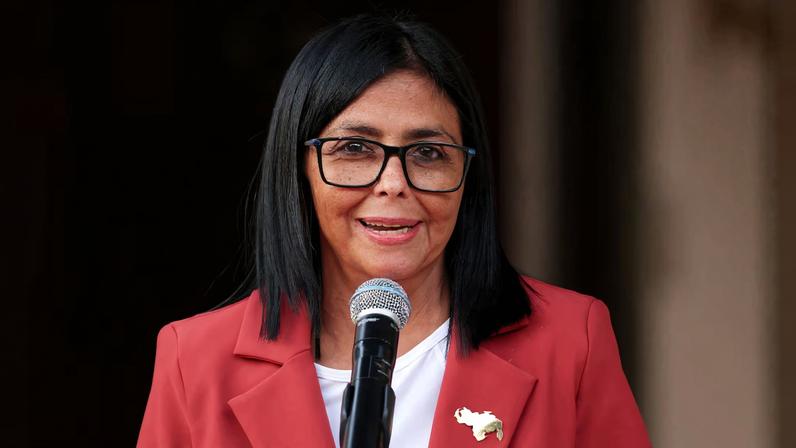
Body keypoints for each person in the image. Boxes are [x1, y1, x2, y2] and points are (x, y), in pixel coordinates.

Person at [137, 13, 651, 448]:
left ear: (467, 174)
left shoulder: (569, 341)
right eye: (355, 149)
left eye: (428, 154)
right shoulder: (195, 361)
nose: (393, 184)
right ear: (299, 170)